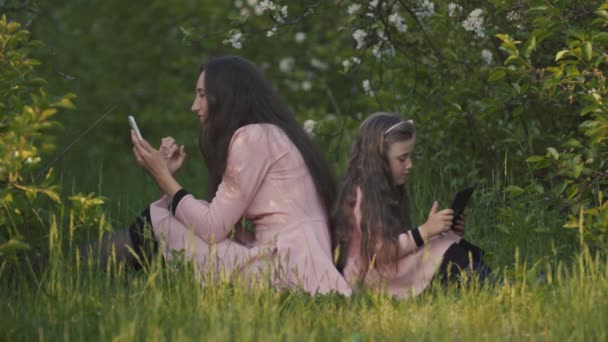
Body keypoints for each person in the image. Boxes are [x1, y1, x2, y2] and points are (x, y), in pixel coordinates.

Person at [89, 55, 351, 296]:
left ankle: (82, 272)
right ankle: (90, 274)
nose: (194, 106)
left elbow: (212, 228)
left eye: (202, 95)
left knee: (157, 221)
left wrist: (162, 177)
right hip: (293, 264)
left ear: (226, 97)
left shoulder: (253, 137)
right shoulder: (272, 134)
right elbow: (212, 222)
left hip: (285, 271)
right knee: (165, 221)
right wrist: (167, 177)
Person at [331, 112, 490, 299]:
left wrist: (442, 230)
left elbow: (398, 241)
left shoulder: (383, 189)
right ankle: (493, 286)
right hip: (372, 277)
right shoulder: (365, 194)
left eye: (410, 157)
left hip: (388, 268)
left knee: (443, 243)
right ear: (379, 158)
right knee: (442, 252)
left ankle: (493, 283)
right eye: (402, 159)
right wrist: (425, 231)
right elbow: (381, 251)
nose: (409, 165)